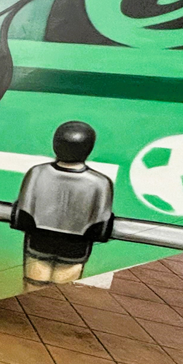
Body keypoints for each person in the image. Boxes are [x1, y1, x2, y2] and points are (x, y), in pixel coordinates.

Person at [12, 121, 114, 286]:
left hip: (39, 241)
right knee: (61, 290)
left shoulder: (37, 172)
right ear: (88, 148)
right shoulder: (100, 183)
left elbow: (22, 215)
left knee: (33, 284)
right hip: (75, 247)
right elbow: (100, 225)